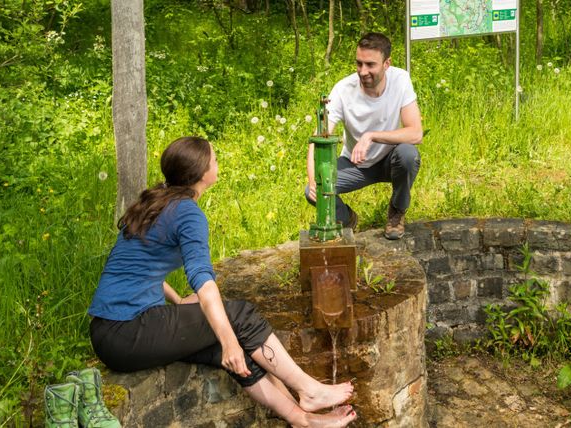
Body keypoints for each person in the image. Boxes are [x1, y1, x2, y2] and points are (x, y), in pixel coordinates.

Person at [88, 136, 356, 428]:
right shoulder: (187, 213)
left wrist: (178, 302)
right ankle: (309, 389)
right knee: (240, 317)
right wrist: (230, 342)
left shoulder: (156, 202)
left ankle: (301, 419)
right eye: (214, 160)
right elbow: (203, 281)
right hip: (128, 330)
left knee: (228, 342)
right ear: (202, 173)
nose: (218, 162)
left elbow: (140, 268)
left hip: (109, 334)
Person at [305, 32, 423, 240]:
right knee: (312, 191)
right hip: (354, 163)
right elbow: (318, 140)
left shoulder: (400, 79)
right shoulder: (343, 90)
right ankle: (347, 218)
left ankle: (396, 211)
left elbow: (415, 132)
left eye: (370, 65)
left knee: (408, 154)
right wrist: (315, 180)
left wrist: (371, 136)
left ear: (387, 64)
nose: (363, 71)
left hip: (390, 160)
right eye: (359, 64)